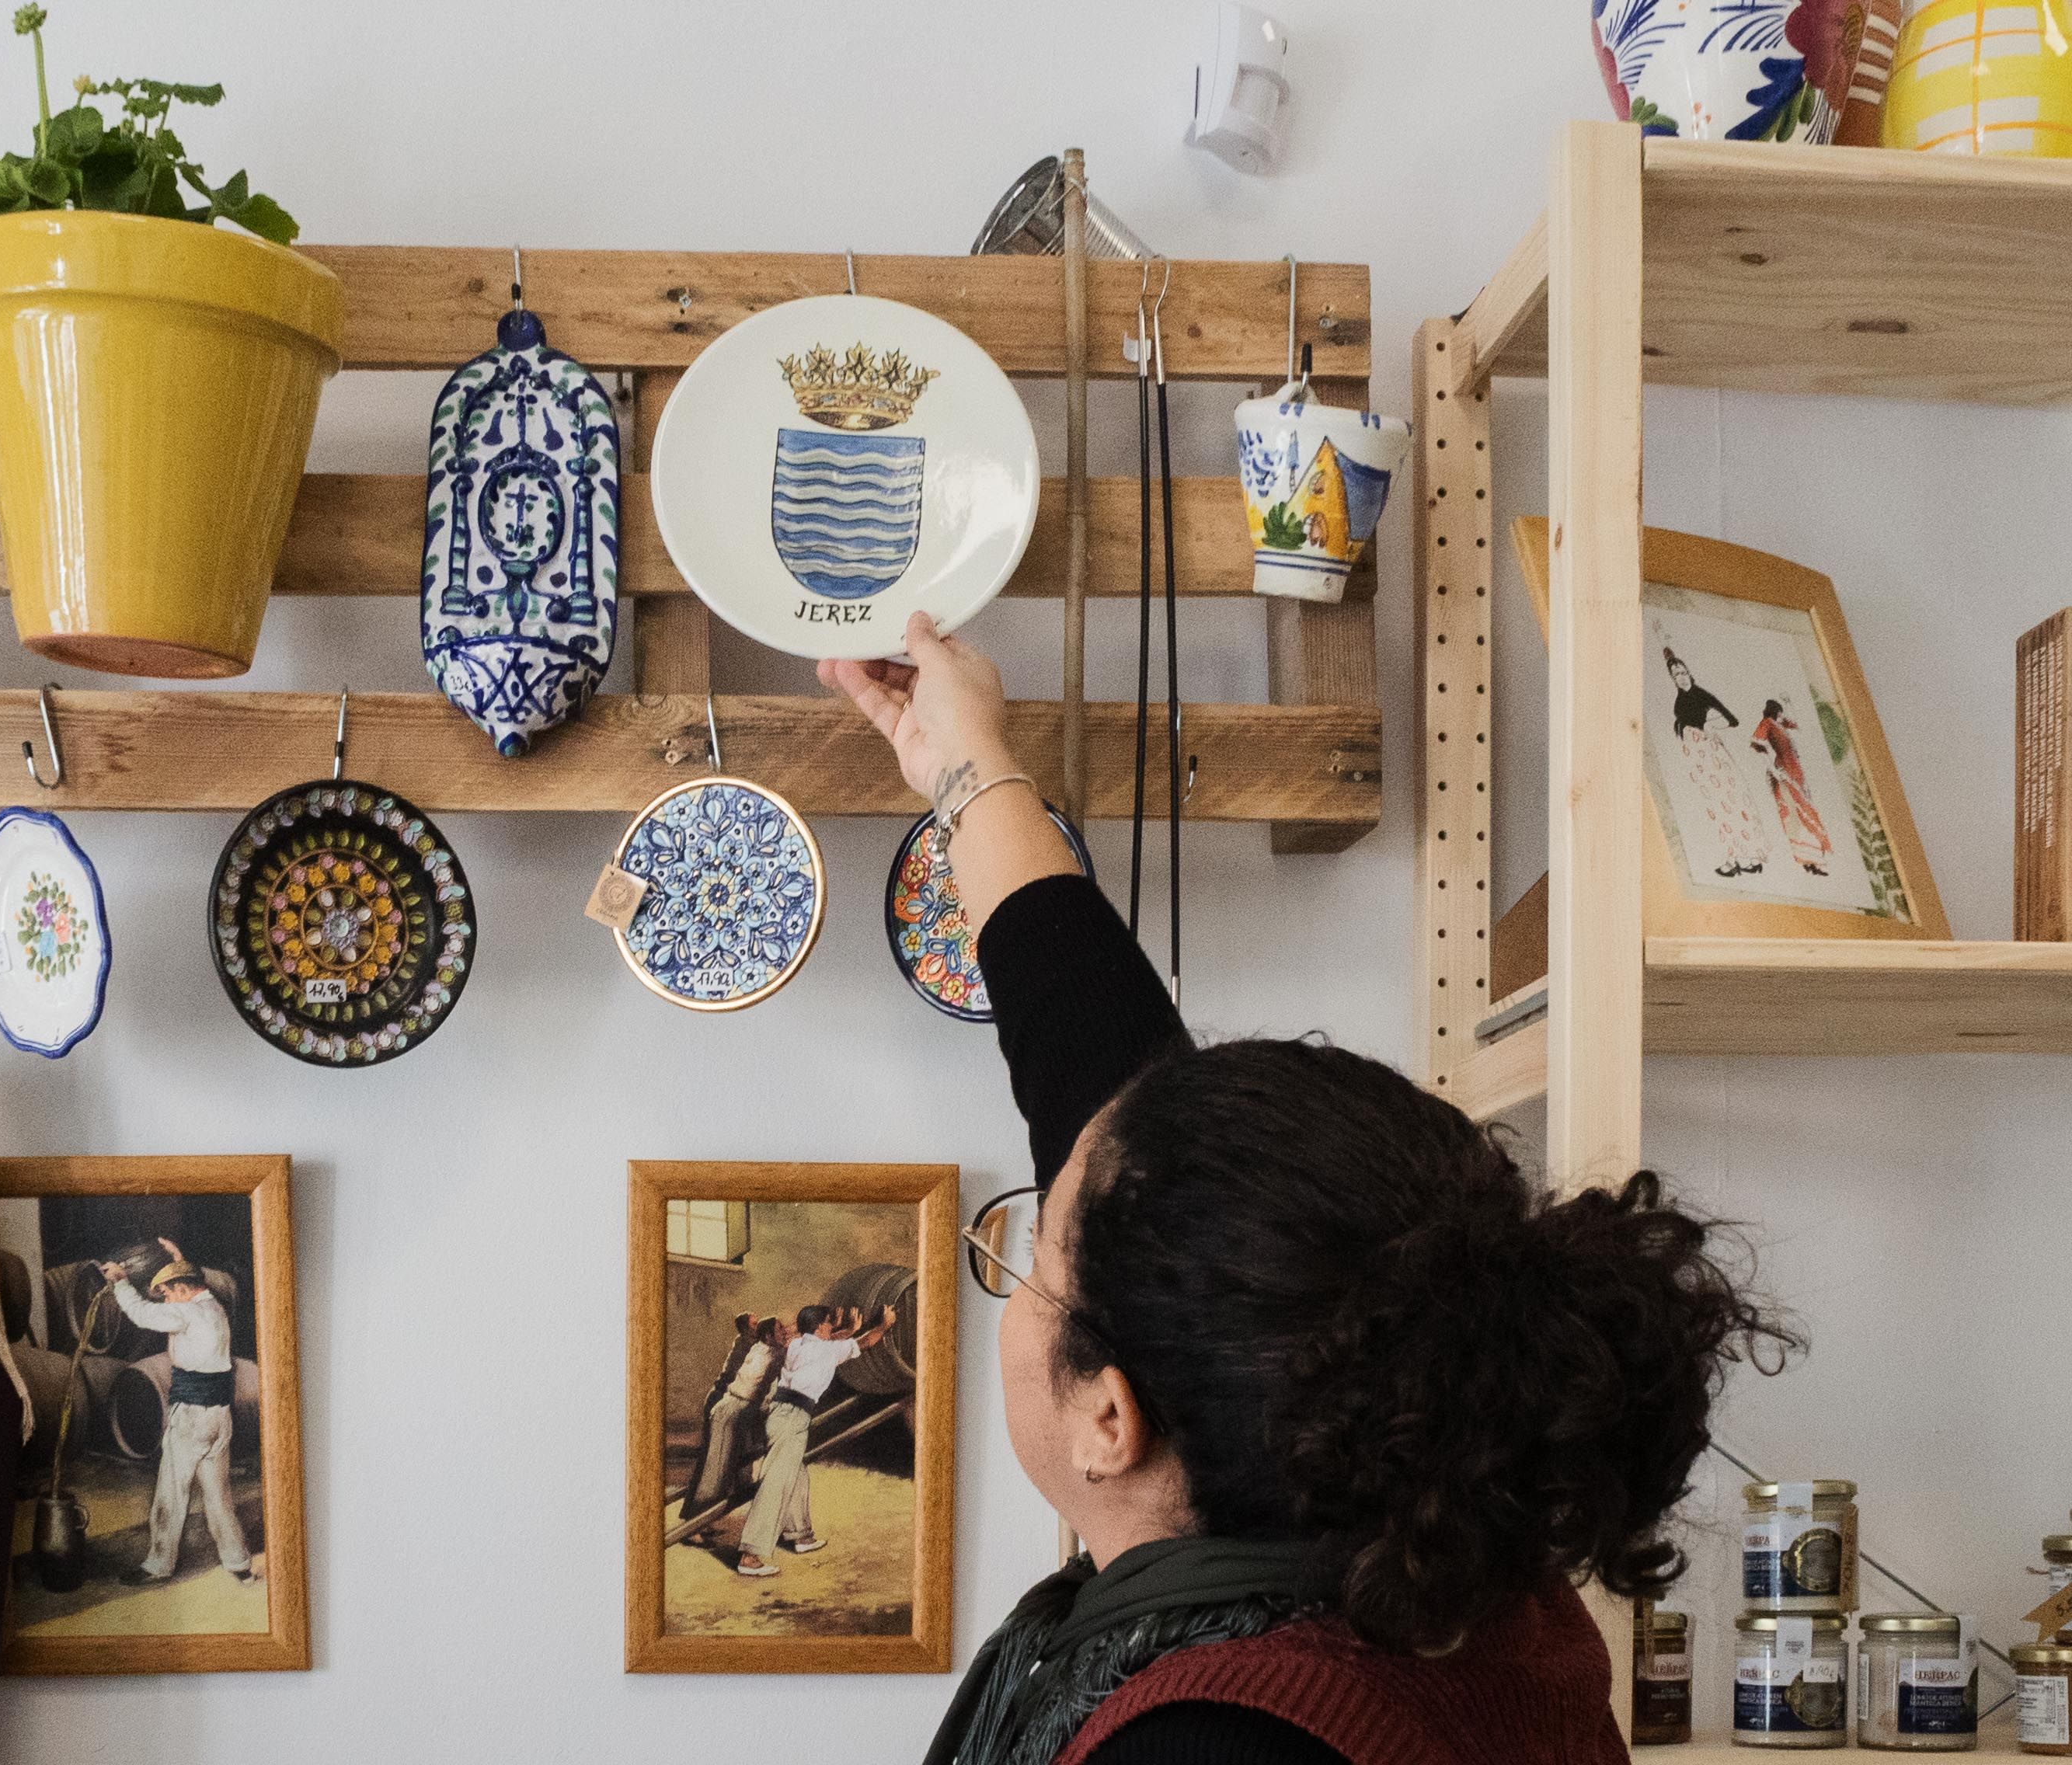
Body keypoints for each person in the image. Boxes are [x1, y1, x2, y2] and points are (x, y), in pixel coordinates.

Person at [823, 614, 1792, 1765]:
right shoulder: (1459, 1578)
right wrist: (966, 761)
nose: (1025, 1274)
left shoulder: (1213, 1739)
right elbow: (1091, 1051)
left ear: (1110, 1420)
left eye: (1032, 1262)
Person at [98, 1237, 255, 1587]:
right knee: (217, 1494)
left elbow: (141, 1313)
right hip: (218, 1416)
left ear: (183, 1289)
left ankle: (158, 1564)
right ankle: (239, 1563)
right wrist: (178, 1260)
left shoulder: (186, 1313)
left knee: (171, 1490)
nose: (166, 1299)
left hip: (192, 1418)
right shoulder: (213, 1307)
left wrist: (122, 1282)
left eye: (168, 1292)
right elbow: (187, 1283)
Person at [733, 1301, 898, 1579]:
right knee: (777, 1482)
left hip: (780, 1415)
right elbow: (866, 1343)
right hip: (793, 1417)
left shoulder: (799, 1344)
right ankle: (750, 1555)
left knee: (796, 1474)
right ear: (821, 1326)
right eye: (829, 1322)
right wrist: (883, 1325)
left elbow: (832, 1343)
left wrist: (848, 1329)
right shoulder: (826, 1349)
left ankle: (801, 1536)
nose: (832, 1326)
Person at [1663, 648, 1768, 879]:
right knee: (1716, 808)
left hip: (1713, 759)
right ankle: (1735, 857)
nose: (1680, 677)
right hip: (1698, 761)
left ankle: (1748, 857)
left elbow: (1732, 720)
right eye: (1675, 675)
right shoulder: (1679, 701)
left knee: (1731, 803)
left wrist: (1711, 725)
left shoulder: (1701, 695)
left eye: (1682, 672)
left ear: (1689, 672)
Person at [683, 1314, 781, 1520]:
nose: (756, 1327)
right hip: (725, 1400)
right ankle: (696, 1518)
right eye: (754, 1325)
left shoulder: (760, 1345)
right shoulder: (751, 1345)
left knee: (733, 1461)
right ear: (749, 1330)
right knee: (714, 1465)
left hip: (738, 1404)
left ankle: (710, 1513)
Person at [1750, 698, 1834, 875]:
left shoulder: (1780, 724)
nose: (1782, 716)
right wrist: (1773, 770)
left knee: (1805, 811)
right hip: (1784, 773)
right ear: (1775, 712)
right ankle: (1807, 859)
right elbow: (1757, 743)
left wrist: (1789, 703)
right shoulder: (1768, 723)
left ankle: (1814, 859)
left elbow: (1797, 724)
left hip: (1796, 772)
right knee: (1795, 814)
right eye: (1780, 712)